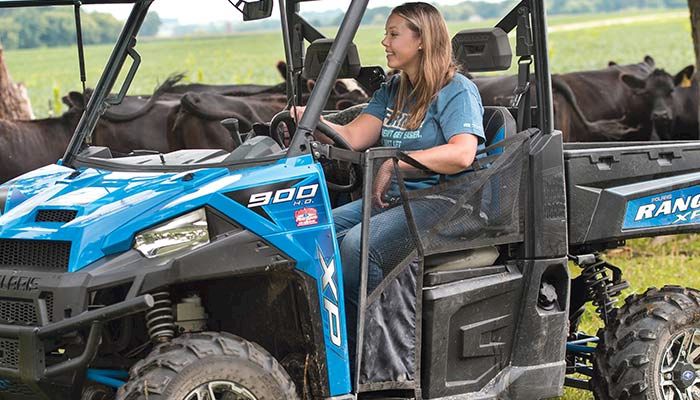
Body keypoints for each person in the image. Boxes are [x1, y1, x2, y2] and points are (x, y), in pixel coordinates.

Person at [294, 1, 485, 364]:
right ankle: (330, 341)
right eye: (386, 34)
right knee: (316, 232)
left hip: (445, 201)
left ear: (422, 40)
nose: (384, 42)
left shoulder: (455, 89)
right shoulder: (395, 89)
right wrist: (309, 118)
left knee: (357, 246)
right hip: (398, 201)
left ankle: (371, 356)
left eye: (393, 34)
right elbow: (354, 134)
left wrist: (398, 162)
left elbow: (463, 153)